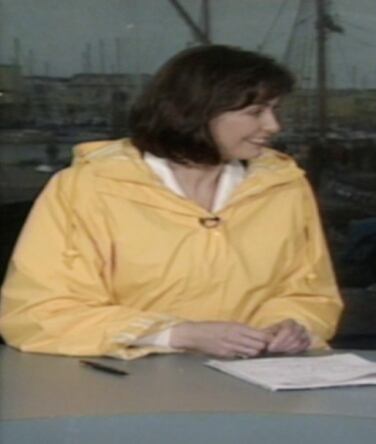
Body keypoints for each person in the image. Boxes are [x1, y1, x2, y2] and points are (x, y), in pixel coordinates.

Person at [0, 45, 343, 360]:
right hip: (126, 386)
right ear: (196, 112)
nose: (273, 126)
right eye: (256, 112)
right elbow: (37, 312)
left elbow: (310, 292)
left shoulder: (285, 187)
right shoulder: (87, 188)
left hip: (256, 385)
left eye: (275, 110)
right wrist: (177, 334)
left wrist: (289, 326)